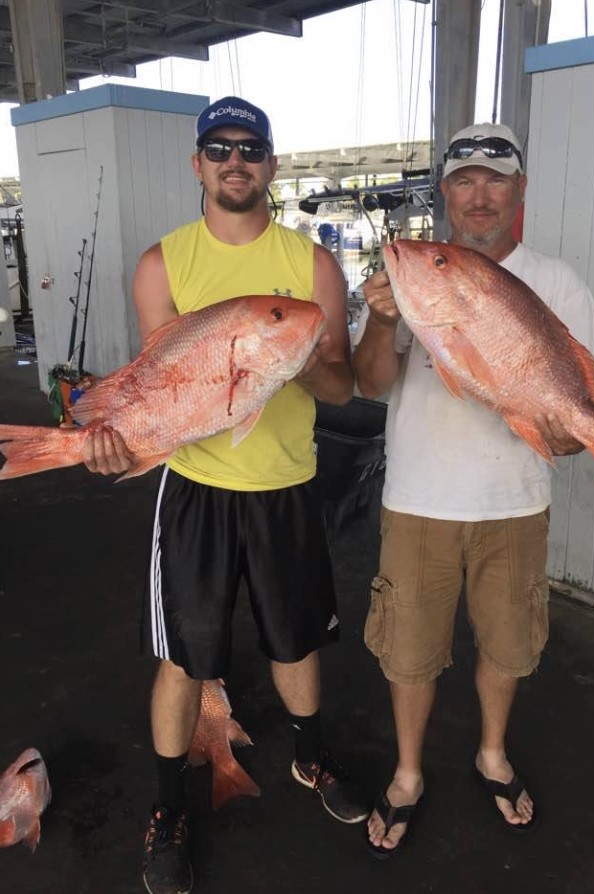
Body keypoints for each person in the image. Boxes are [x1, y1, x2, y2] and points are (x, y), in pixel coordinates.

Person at [82, 95, 367, 894]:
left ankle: (311, 757)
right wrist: (117, 442)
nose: (234, 159)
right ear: (199, 163)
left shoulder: (311, 266)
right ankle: (167, 806)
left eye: (250, 147)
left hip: (287, 487)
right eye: (219, 147)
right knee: (183, 657)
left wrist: (295, 355)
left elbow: (342, 388)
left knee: (296, 641)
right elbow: (157, 388)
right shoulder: (161, 265)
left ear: (271, 164)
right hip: (197, 490)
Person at [352, 122, 594, 858]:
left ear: (520, 190)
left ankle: (492, 753)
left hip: (515, 503)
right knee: (409, 650)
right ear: (445, 194)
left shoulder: (559, 282)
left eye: (497, 179)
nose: (480, 194)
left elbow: (577, 401)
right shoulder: (412, 273)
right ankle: (407, 773)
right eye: (464, 179)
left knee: (506, 643)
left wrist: (573, 432)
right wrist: (378, 317)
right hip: (419, 502)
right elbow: (372, 383)